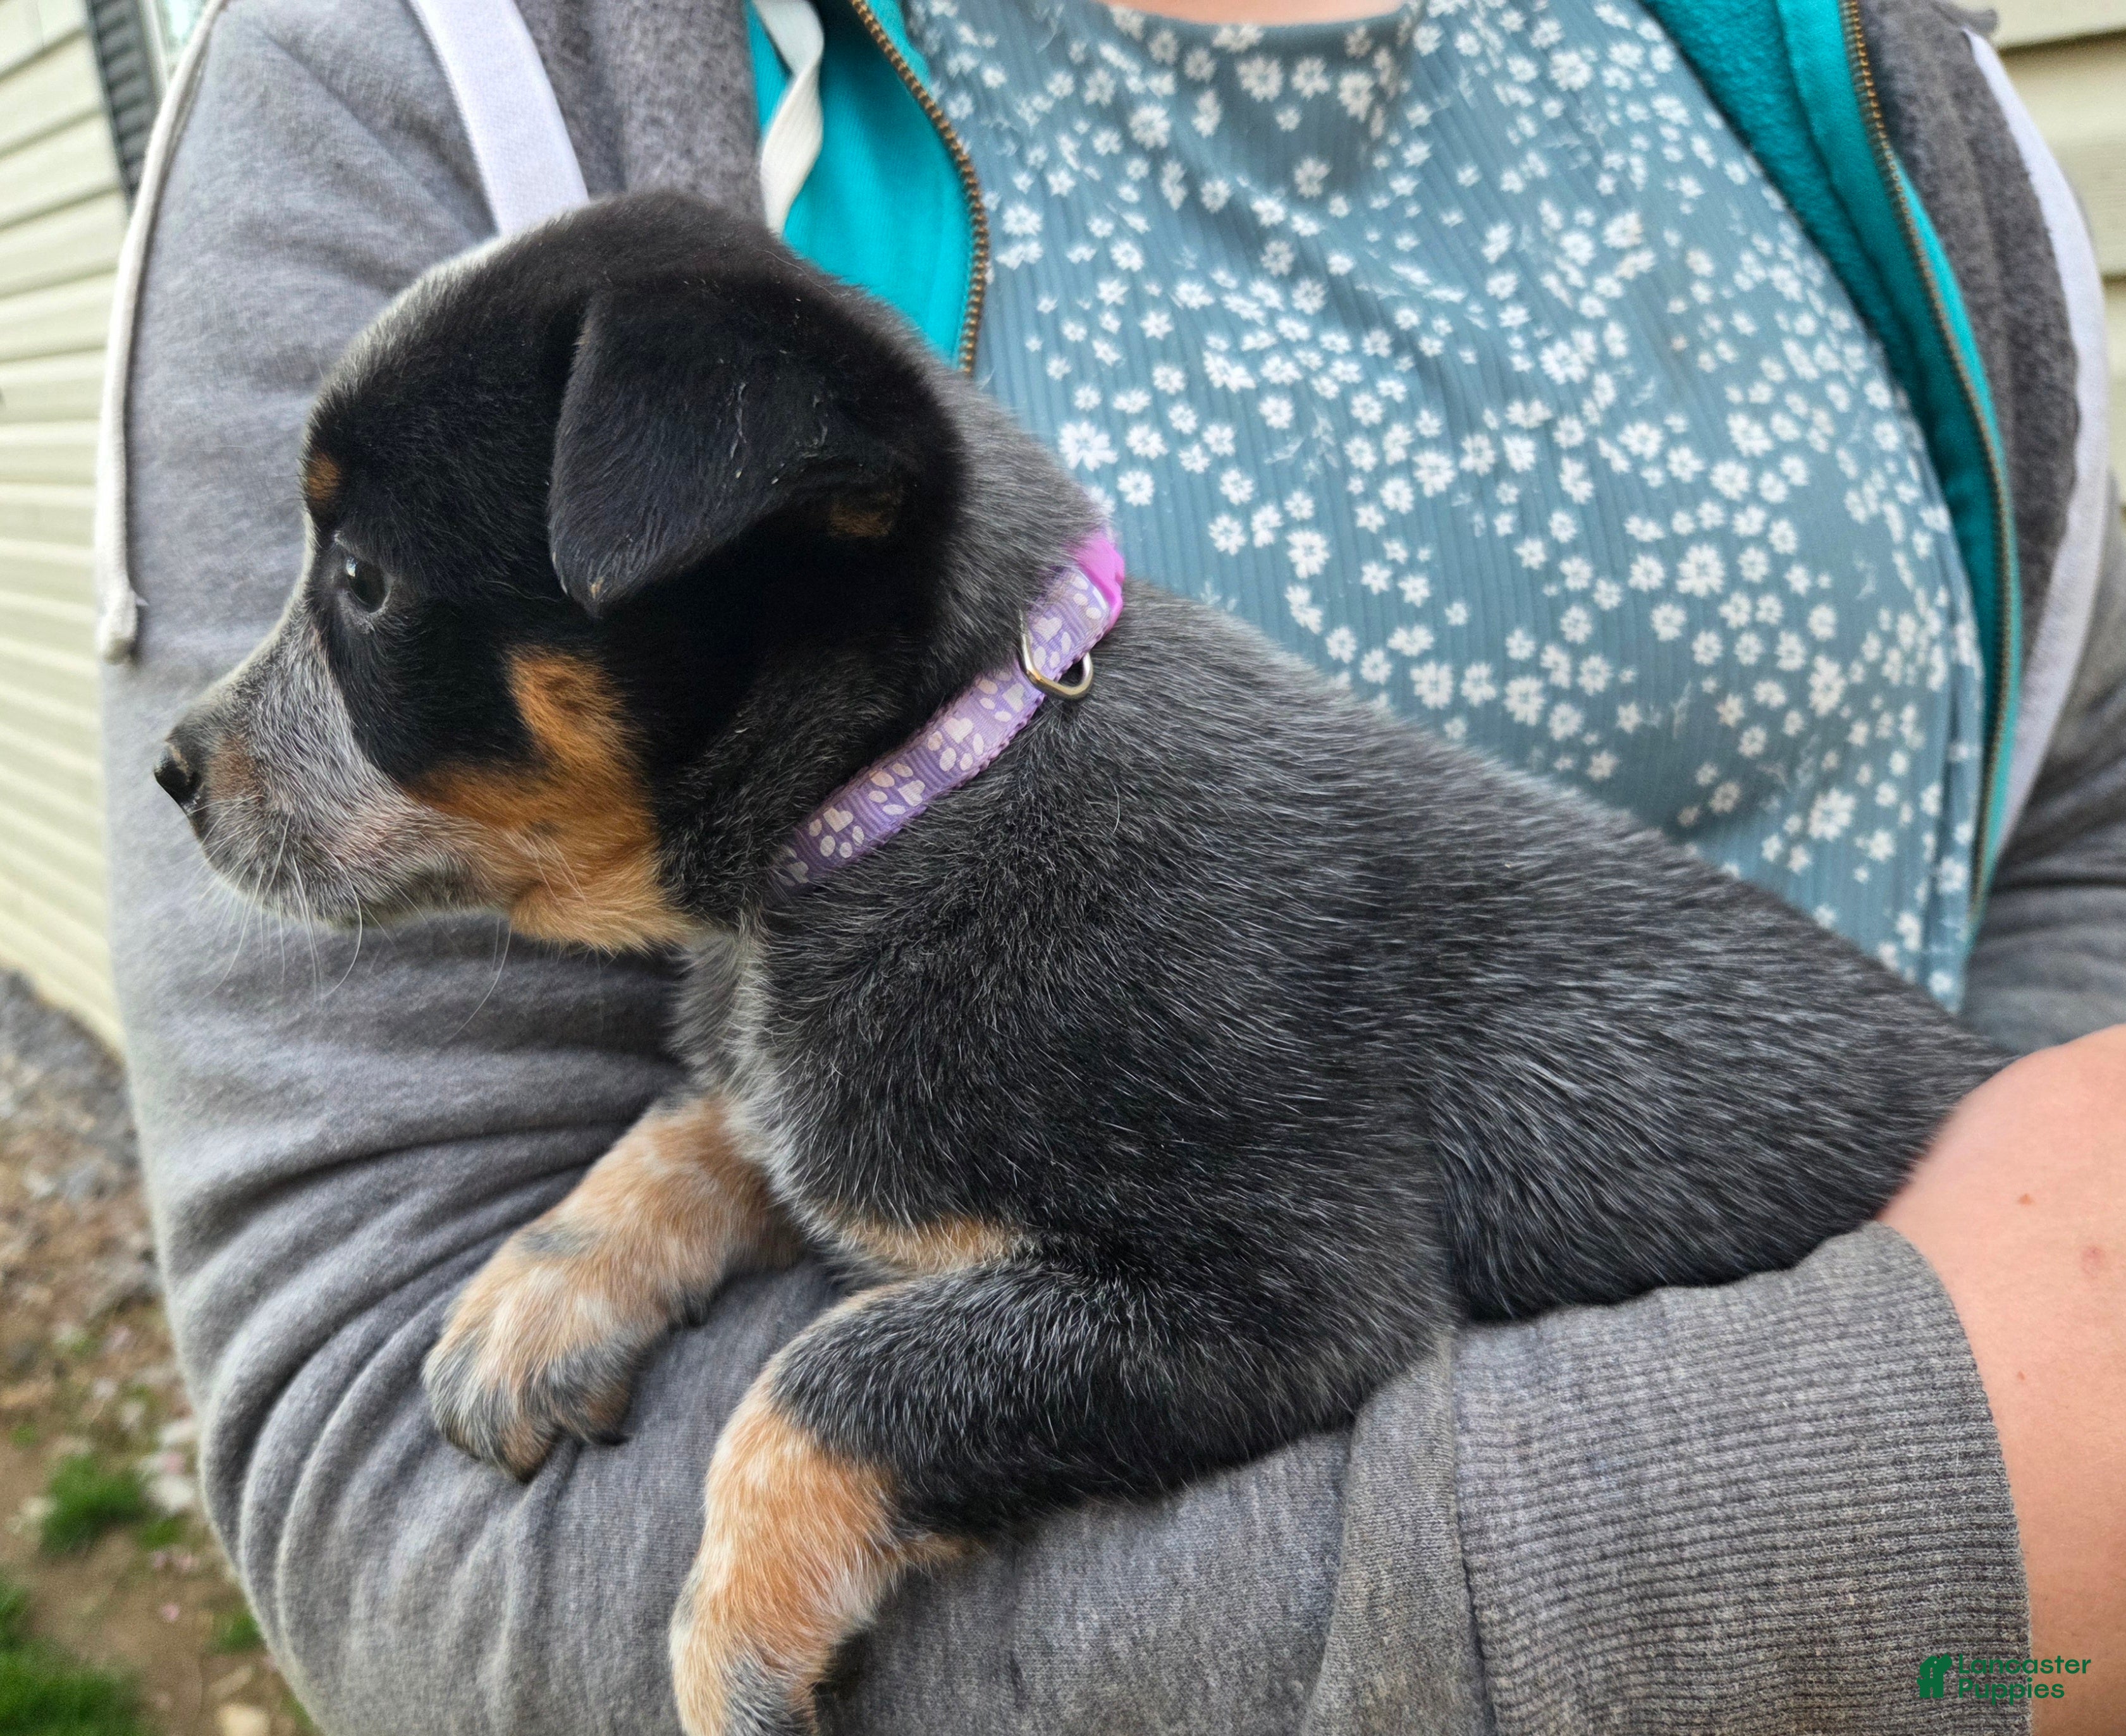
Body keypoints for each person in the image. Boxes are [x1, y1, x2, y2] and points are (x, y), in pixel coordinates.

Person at [94, 0, 2123, 1728]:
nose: (236, 725)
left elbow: (1258, 1293)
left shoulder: (1854, 63)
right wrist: (1949, 1476)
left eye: (361, 588)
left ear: (747, 511)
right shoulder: (414, 72)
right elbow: (408, 1496)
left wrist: (832, 1443)